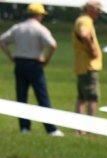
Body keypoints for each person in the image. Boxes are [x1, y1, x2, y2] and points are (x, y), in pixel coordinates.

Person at [0, 3, 61, 136]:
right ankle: (51, 129)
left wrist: (11, 56)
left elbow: (2, 41)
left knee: (21, 97)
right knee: (42, 97)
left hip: (20, 64)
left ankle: (24, 128)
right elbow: (53, 45)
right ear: (39, 15)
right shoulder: (40, 29)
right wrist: (46, 59)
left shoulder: (17, 28)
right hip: (35, 64)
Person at [73, 1, 102, 119]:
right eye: (98, 9)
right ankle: (89, 128)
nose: (99, 12)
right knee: (92, 98)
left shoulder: (83, 20)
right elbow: (84, 35)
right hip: (88, 66)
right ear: (90, 9)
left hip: (83, 66)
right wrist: (92, 50)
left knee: (81, 98)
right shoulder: (85, 21)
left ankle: (79, 129)